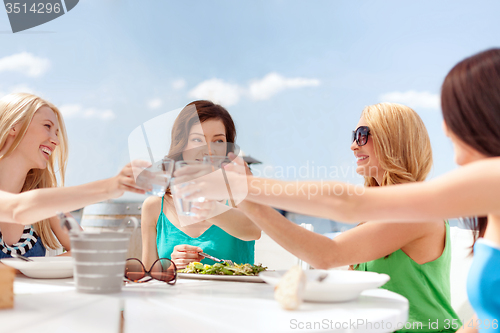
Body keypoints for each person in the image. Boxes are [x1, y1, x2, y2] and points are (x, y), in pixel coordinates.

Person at [177, 49, 500, 332]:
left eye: (362, 134)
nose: (352, 144)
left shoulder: (418, 214)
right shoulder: (449, 205)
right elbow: (487, 318)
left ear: (393, 140)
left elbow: (333, 237)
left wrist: (245, 191)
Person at [0, 93, 148, 258]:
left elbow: (86, 249)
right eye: (47, 126)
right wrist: (110, 187)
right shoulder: (38, 204)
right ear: (14, 126)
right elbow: (18, 209)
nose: (56, 140)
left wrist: (38, 268)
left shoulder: (44, 201)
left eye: (57, 133)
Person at [141, 100, 261, 270]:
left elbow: (253, 230)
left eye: (218, 141)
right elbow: (148, 275)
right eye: (198, 139)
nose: (209, 150)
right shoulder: (154, 207)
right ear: (182, 144)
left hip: (233, 296)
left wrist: (208, 208)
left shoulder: (237, 192)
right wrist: (172, 266)